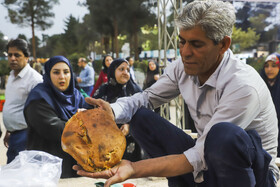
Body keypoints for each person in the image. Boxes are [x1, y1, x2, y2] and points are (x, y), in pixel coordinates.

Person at [73, 1, 279, 187]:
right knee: (140, 116)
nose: (185, 52)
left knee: (223, 135)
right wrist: (113, 111)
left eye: (196, 44)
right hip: (207, 162)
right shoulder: (183, 66)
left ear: (223, 45)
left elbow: (200, 155)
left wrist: (135, 168)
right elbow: (146, 98)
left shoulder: (242, 86)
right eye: (182, 41)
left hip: (251, 174)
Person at [24, 56, 92, 178]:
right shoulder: (39, 97)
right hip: (47, 170)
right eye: (56, 72)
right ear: (48, 74)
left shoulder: (76, 95)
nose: (62, 76)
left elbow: (94, 117)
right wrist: (83, 123)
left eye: (66, 72)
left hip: (75, 167)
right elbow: (55, 129)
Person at [93, 58, 143, 162]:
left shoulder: (135, 91)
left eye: (128, 70)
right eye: (121, 69)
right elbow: (92, 114)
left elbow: (146, 115)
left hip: (131, 146)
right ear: (112, 71)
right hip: (106, 145)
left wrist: (130, 126)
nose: (125, 73)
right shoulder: (103, 91)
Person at [2, 38, 43, 164]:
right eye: (10, 55)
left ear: (27, 57)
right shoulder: (12, 76)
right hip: (14, 135)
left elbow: (40, 113)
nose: (12, 58)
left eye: (17, 55)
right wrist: (9, 130)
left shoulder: (35, 80)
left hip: (27, 136)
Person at [260, 53, 280, 157]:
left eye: (274, 65)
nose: (269, 69)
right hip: (264, 132)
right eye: (266, 66)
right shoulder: (260, 83)